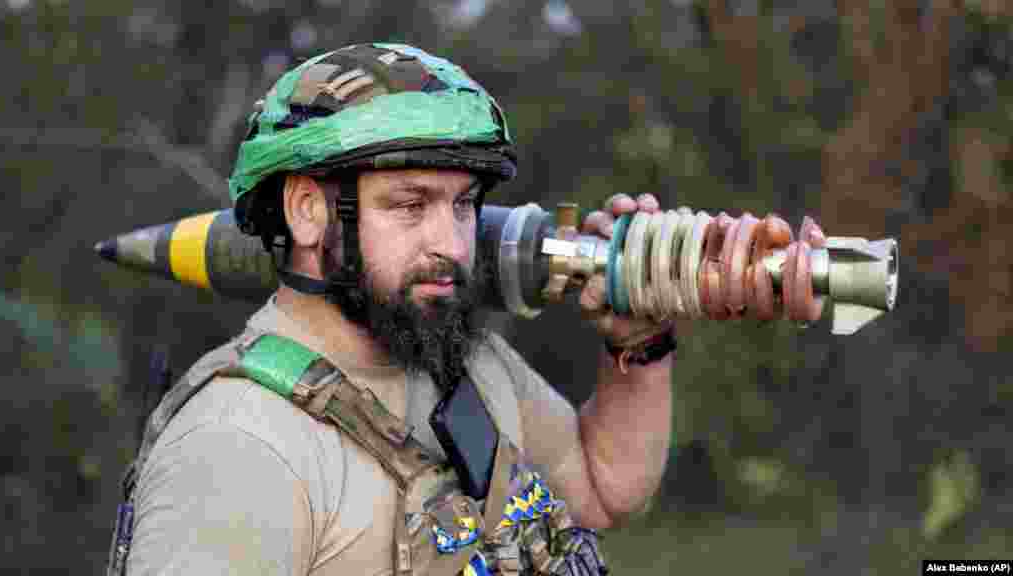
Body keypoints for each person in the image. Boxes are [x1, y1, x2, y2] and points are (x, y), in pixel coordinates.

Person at [121, 43, 824, 575]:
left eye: (462, 205)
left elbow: (604, 492)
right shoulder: (240, 447)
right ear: (307, 210)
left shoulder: (461, 362)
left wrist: (638, 345)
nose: (450, 243)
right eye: (410, 205)